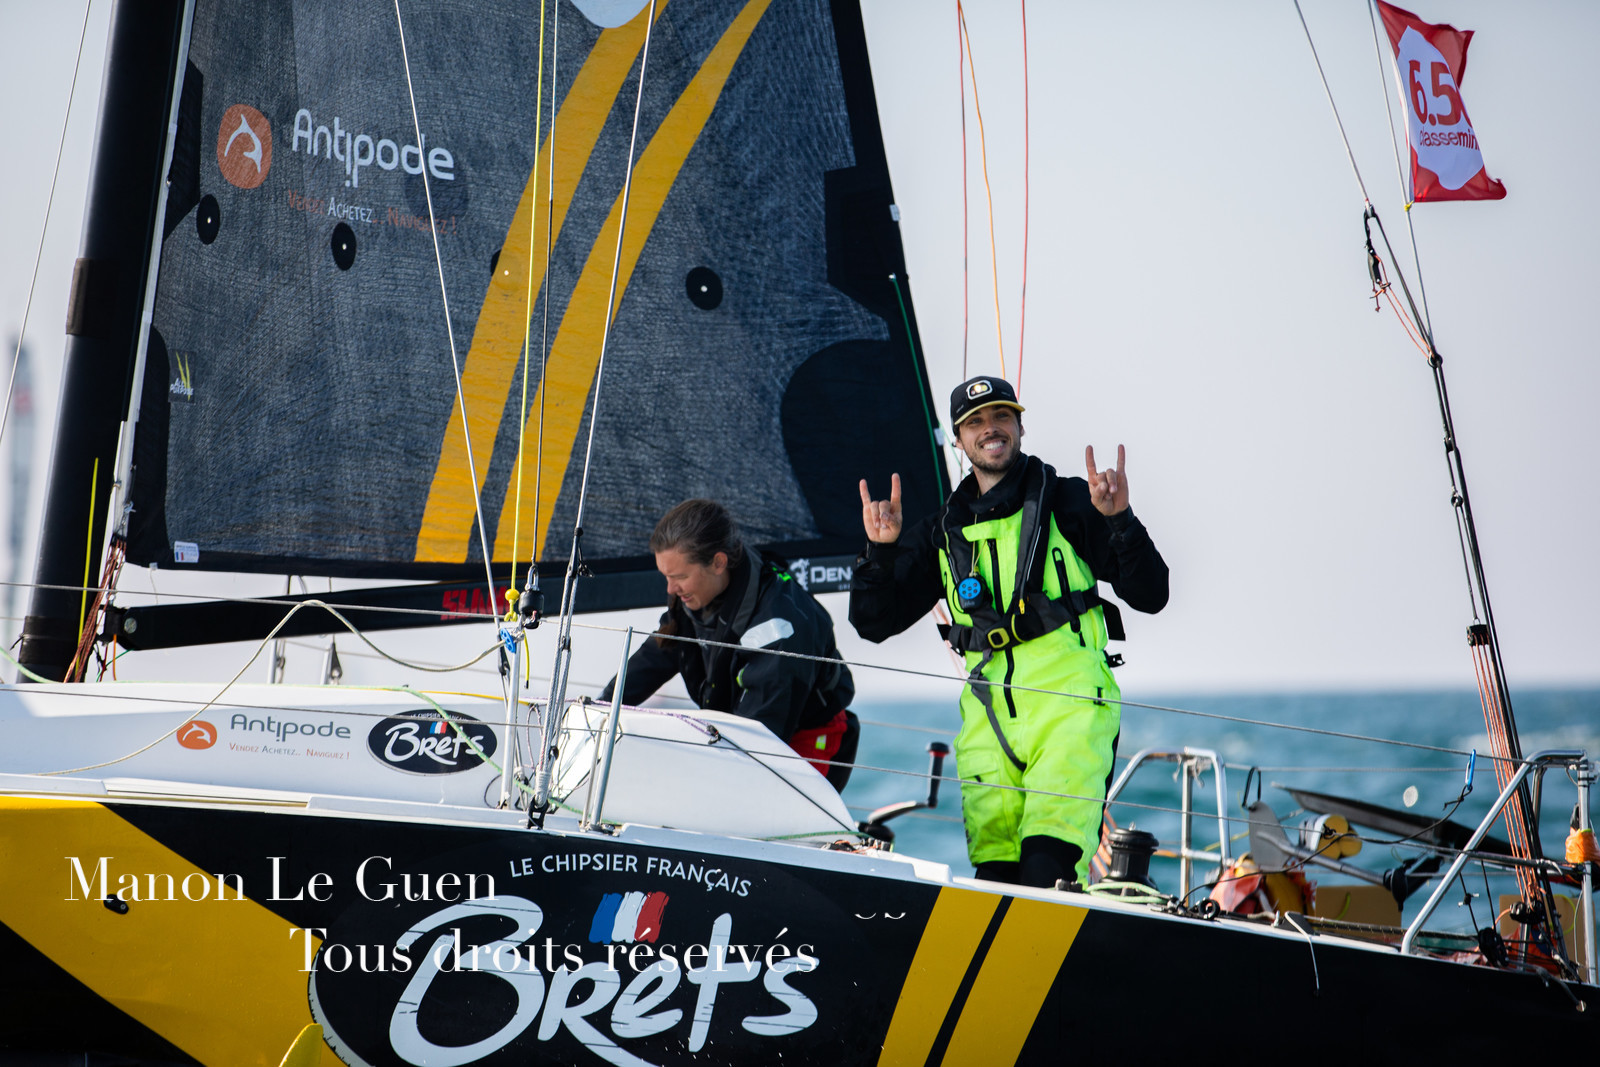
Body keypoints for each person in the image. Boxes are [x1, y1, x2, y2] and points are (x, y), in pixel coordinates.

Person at [850, 375, 1169, 887]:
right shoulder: (941, 531)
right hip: (988, 723)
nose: (990, 428)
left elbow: (1152, 594)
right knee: (993, 875)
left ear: (1020, 426)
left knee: (1047, 867)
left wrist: (1120, 521)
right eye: (974, 422)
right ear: (958, 440)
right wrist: (880, 553)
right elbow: (873, 624)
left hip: (1069, 712)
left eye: (1001, 416)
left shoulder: (1071, 502)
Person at [599, 499, 859, 790]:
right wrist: (601, 710)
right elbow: (658, 654)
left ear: (718, 563)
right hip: (741, 731)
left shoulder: (779, 627)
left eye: (680, 577)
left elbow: (762, 734)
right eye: (666, 577)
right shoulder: (697, 595)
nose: (670, 588)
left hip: (806, 737)